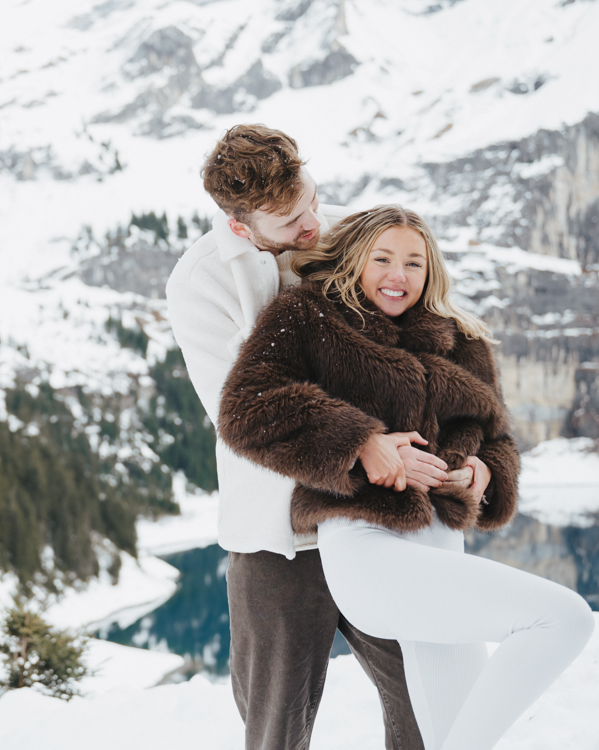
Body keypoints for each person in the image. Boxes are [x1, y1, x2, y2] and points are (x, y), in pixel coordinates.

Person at [218, 205, 595, 750]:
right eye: (383, 259)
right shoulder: (308, 317)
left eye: (414, 263)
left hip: (442, 547)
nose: (399, 275)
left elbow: (497, 439)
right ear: (355, 259)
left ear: (430, 270)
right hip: (366, 545)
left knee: (448, 733)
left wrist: (484, 473)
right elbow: (246, 410)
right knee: (563, 618)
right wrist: (360, 444)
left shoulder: (463, 339)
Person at [167, 125, 429, 750]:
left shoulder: (348, 233)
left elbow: (416, 343)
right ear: (240, 224)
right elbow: (246, 412)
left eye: (312, 198)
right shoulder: (199, 282)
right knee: (276, 727)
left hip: (373, 513)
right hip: (276, 536)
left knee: (426, 693)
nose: (314, 223)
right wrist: (358, 439)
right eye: (290, 220)